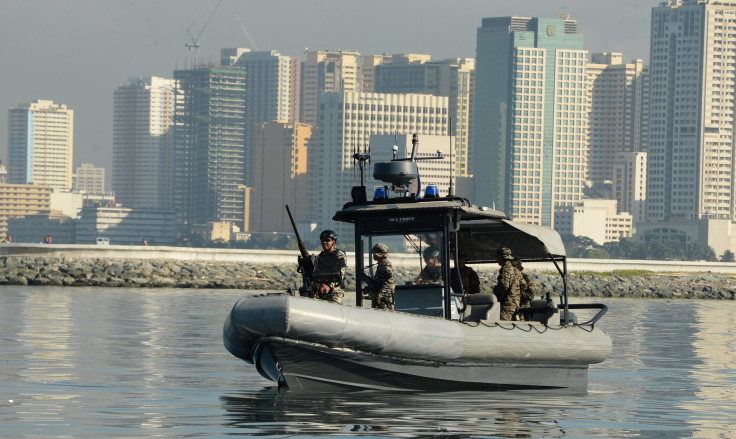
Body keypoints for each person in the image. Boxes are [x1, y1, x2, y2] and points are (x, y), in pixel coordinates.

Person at [310, 229, 347, 304]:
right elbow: (316, 274)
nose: (324, 242)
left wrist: (329, 285)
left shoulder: (339, 255)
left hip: (335, 293)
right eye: (322, 240)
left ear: (333, 241)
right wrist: (315, 290)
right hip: (322, 292)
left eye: (327, 240)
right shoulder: (320, 257)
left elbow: (341, 274)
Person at [362, 243, 395, 310]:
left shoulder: (386, 268)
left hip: (384, 303)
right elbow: (378, 283)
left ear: (379, 254)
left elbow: (388, 285)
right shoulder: (381, 266)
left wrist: (378, 297)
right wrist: (369, 288)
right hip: (380, 302)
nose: (373, 255)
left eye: (374, 253)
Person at [493, 247, 522, 320]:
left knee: (504, 324)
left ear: (501, 258)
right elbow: (524, 285)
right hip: (516, 303)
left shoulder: (505, 269)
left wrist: (495, 289)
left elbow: (504, 286)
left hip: (507, 304)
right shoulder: (515, 269)